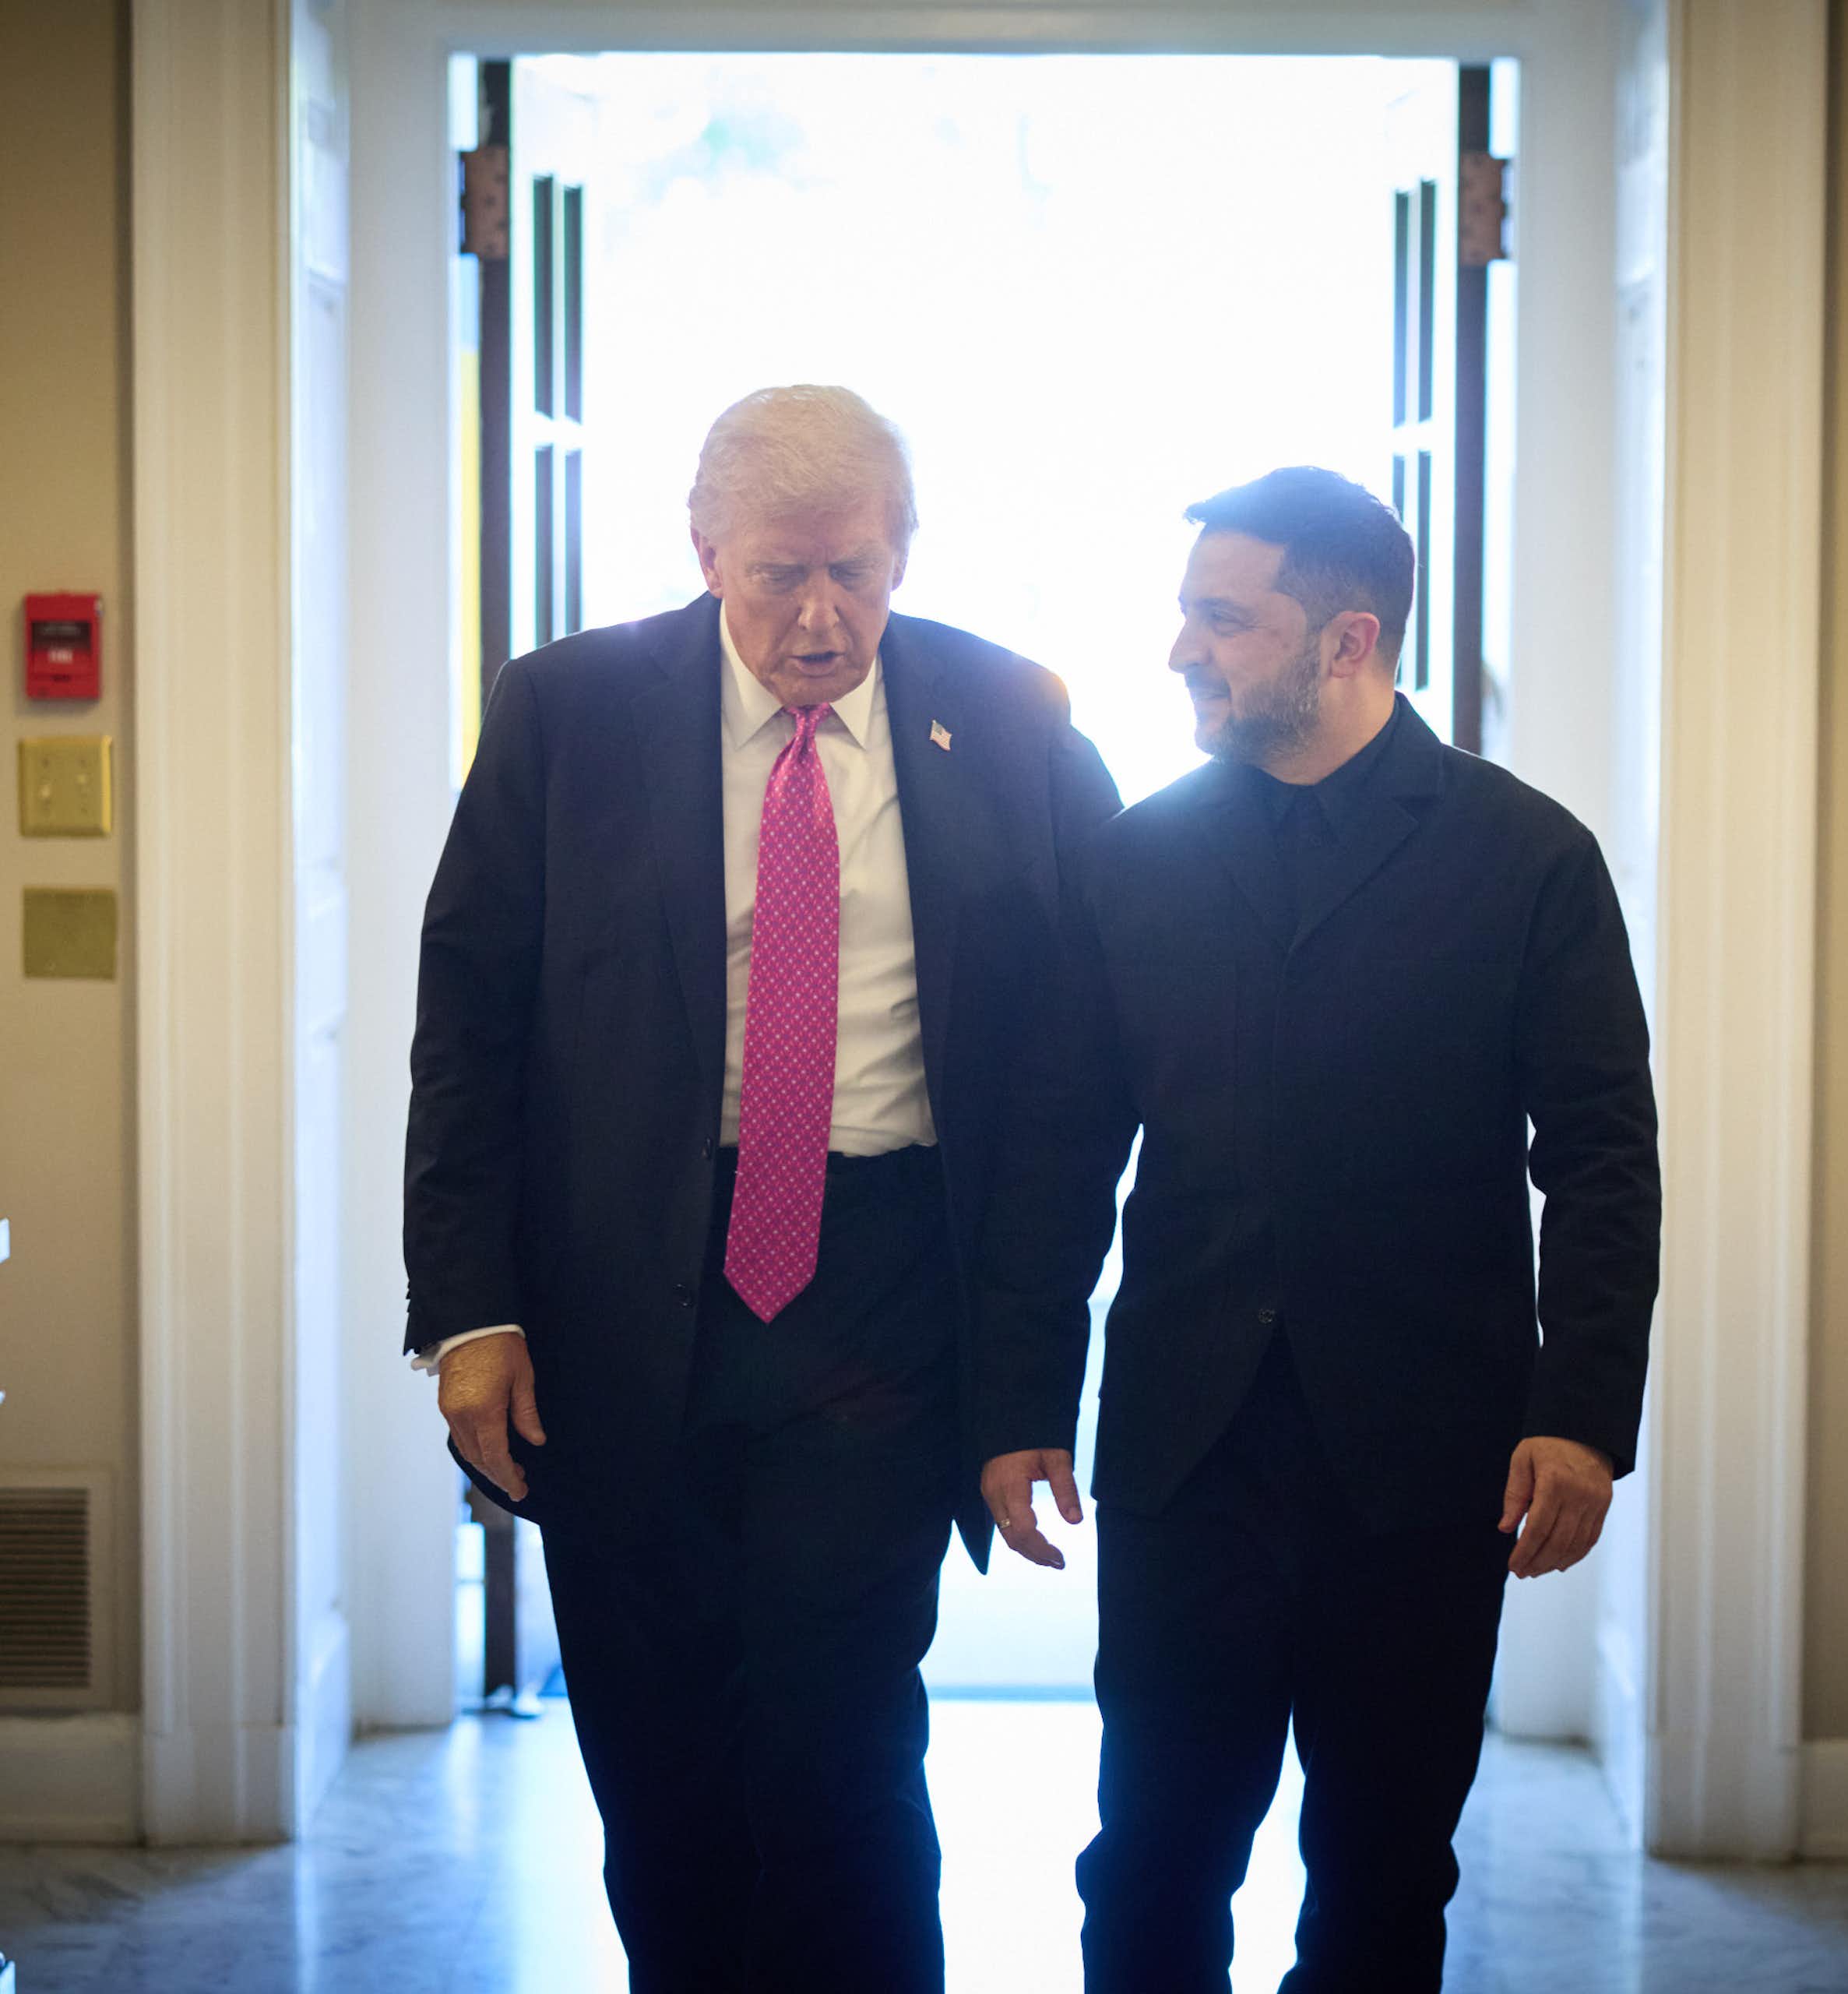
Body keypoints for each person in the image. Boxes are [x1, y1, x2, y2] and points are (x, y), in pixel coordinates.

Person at [403, 385, 1120, 1993]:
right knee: (659, 1760)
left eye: (855, 573)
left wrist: (1022, 1382)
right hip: (622, 1289)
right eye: (777, 575)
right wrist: (469, 1311)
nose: (818, 617)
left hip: (876, 1287)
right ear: (702, 548)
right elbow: (469, 1029)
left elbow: (1087, 1050)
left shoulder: (1009, 720)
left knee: (836, 1740)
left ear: (905, 550)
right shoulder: (565, 712)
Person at [977, 466, 1662, 1993]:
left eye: (1222, 619)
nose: (1181, 650)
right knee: (1150, 1854)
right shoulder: (1130, 857)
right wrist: (1018, 1401)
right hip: (1182, 1452)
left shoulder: (1525, 859)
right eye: (1184, 614)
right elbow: (1054, 1161)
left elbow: (1602, 1160)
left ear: (1345, 638)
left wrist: (1581, 1416)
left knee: (1383, 1870)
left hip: (1429, 1455)